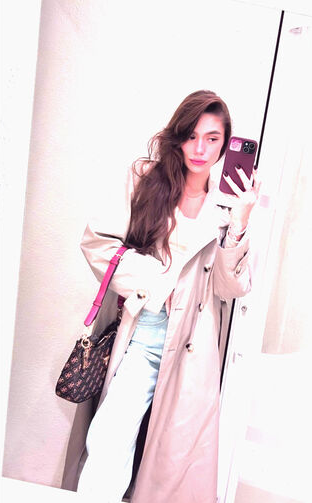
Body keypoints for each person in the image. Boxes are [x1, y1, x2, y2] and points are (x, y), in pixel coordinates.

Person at [75, 90, 261, 503]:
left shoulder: (228, 204)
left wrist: (239, 223)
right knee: (109, 440)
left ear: (225, 144)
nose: (200, 149)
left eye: (212, 139)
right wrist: (159, 284)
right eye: (192, 136)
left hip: (195, 346)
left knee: (173, 467)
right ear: (178, 135)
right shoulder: (146, 180)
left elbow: (230, 287)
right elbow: (98, 243)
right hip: (146, 332)